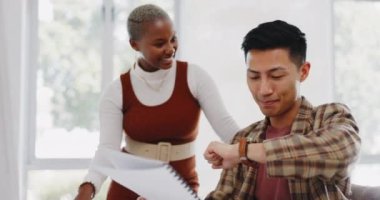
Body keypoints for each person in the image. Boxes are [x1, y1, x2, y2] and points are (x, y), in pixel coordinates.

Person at [74, 4, 240, 200]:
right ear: (135, 44)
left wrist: (260, 150)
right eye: (160, 44)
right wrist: (87, 188)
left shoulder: (195, 78)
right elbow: (107, 150)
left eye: (173, 39)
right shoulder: (117, 91)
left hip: (180, 188)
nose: (170, 49)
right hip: (128, 188)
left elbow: (229, 129)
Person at [203, 20, 361, 200]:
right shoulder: (245, 137)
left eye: (276, 76)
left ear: (303, 71)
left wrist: (242, 152)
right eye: (254, 77)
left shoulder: (329, 117)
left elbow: (339, 153)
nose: (263, 90)